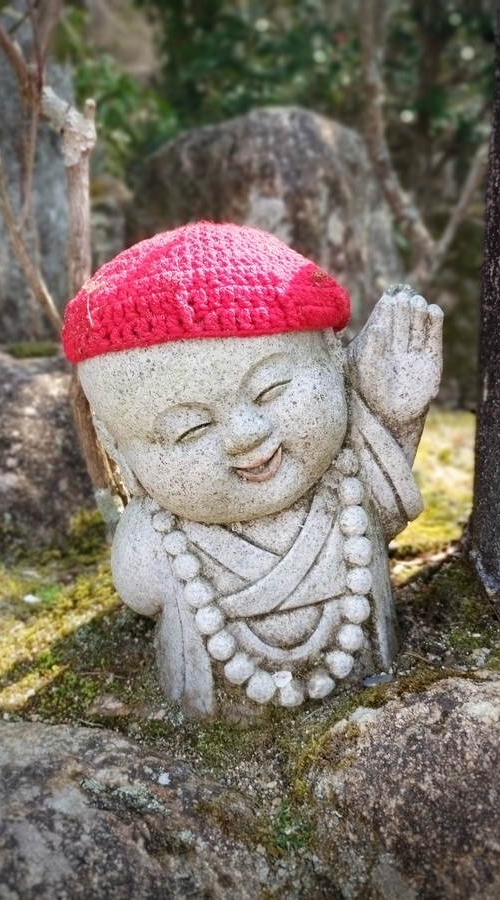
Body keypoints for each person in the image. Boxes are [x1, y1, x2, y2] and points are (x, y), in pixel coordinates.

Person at [63, 222, 443, 717]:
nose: (245, 434)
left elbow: (383, 510)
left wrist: (395, 417)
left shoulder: (345, 484)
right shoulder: (154, 542)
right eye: (190, 429)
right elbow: (140, 590)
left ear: (334, 357)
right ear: (118, 448)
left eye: (271, 390)